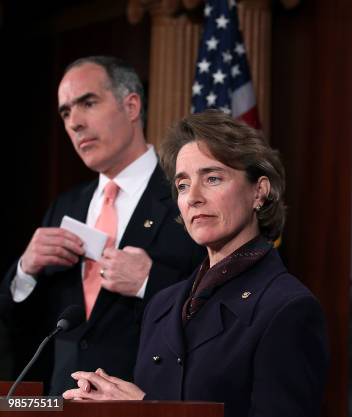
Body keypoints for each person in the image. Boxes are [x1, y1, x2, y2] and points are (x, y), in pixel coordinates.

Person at [62, 110, 330, 417]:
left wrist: (146, 410)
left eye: (213, 178)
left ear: (259, 191)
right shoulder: (162, 305)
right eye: (183, 184)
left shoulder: (288, 308)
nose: (194, 197)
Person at [0, 56, 204, 395]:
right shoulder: (66, 206)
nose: (74, 123)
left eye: (88, 103)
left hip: (147, 402)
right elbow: (19, 325)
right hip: (61, 401)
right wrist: (26, 270)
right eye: (65, 112)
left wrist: (149, 283)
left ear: (131, 105)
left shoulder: (183, 194)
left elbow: (221, 310)